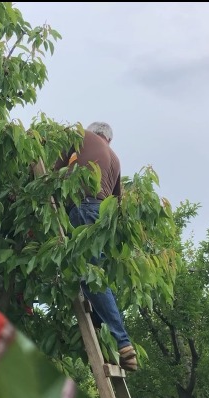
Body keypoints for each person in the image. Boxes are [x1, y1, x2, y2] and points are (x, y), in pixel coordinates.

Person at [54, 121, 138, 372]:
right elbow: (117, 202)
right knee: (92, 273)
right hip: (100, 216)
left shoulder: (81, 134)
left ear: (94, 132)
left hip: (83, 207)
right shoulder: (115, 159)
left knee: (89, 275)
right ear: (109, 139)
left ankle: (121, 342)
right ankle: (110, 339)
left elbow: (55, 167)